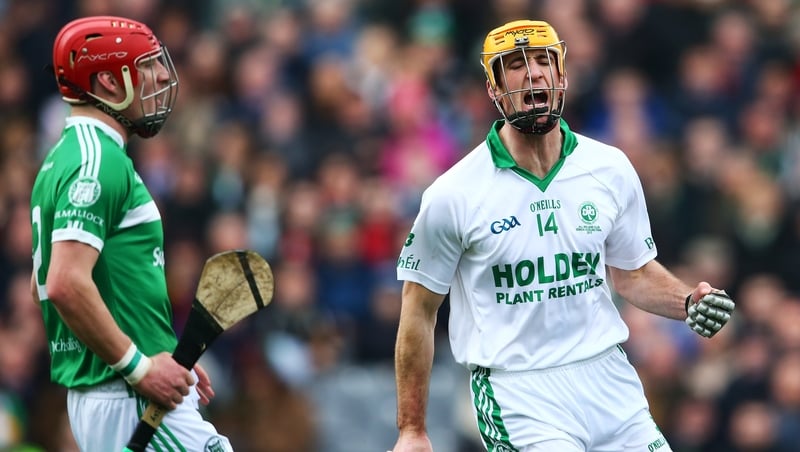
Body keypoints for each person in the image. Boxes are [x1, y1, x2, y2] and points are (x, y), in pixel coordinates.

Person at [391, 19, 735, 452]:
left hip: (610, 380)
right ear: (494, 89)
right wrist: (411, 430)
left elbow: (633, 275)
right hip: (519, 394)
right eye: (514, 65)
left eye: (542, 61)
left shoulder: (610, 168)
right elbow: (418, 312)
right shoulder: (452, 195)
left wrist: (687, 302)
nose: (532, 73)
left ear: (562, 74)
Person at [29, 16, 233, 451]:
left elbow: (40, 285)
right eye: (147, 66)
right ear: (107, 80)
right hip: (128, 395)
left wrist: (158, 350)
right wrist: (140, 366)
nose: (161, 76)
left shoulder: (63, 158)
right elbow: (64, 283)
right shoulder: (96, 160)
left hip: (113, 391)